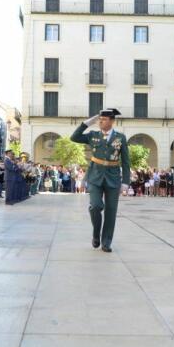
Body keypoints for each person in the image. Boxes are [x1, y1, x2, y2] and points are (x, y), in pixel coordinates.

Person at [70, 108, 130, 252]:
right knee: (96, 206)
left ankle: (106, 242)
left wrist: (126, 182)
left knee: (111, 211)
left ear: (111, 121)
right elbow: (74, 137)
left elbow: (126, 161)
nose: (100, 121)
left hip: (113, 177)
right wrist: (87, 123)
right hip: (95, 177)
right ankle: (96, 234)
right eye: (99, 119)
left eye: (103, 119)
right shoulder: (93, 135)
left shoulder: (120, 138)